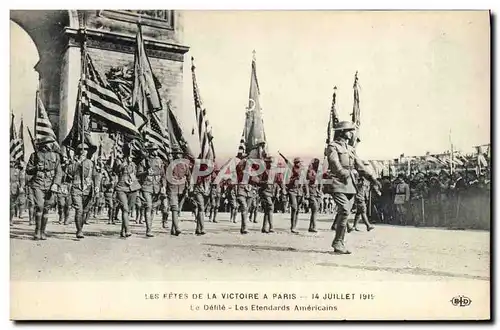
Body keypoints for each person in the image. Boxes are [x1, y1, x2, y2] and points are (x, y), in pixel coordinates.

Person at [324, 121, 381, 254]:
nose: (352, 133)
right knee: (344, 210)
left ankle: (339, 241)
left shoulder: (350, 149)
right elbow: (334, 162)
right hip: (337, 182)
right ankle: (338, 242)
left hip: (350, 184)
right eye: (349, 130)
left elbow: (359, 166)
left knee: (345, 213)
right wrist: (343, 173)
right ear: (342, 132)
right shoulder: (333, 146)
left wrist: (372, 179)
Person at [25, 140, 62, 240]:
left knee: (46, 208)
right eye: (46, 143)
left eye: (49, 143)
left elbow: (59, 172)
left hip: (50, 184)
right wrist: (36, 168)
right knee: (39, 206)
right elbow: (28, 170)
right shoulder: (34, 155)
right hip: (38, 183)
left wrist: (55, 184)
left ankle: (43, 231)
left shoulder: (56, 156)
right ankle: (37, 231)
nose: (48, 145)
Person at [67, 142, 99, 239]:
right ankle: (79, 231)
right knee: (79, 210)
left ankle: (81, 227)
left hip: (87, 189)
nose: (83, 152)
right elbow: (69, 172)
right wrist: (77, 163)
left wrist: (97, 185)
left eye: (85, 150)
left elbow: (96, 175)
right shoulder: (73, 162)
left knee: (85, 210)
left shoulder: (90, 162)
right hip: (77, 188)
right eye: (81, 150)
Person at [137, 143, 166, 237]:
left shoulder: (160, 161)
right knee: (148, 206)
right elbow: (138, 174)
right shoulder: (144, 161)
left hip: (156, 187)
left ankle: (150, 227)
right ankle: (148, 230)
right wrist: (146, 172)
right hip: (147, 185)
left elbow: (163, 175)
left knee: (153, 208)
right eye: (153, 150)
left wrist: (164, 186)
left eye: (156, 149)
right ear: (149, 151)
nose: (155, 151)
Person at [113, 142, 142, 238]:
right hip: (121, 187)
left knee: (128, 210)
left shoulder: (134, 162)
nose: (129, 152)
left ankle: (123, 230)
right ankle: (128, 230)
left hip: (132, 187)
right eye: (127, 150)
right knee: (125, 208)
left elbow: (137, 174)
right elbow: (116, 170)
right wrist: (124, 163)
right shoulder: (118, 160)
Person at [349, 165, 375, 232]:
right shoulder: (360, 183)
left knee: (358, 213)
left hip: (359, 198)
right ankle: (368, 225)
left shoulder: (359, 182)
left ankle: (354, 226)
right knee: (363, 212)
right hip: (360, 198)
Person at [286, 157, 306, 234]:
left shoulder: (302, 171)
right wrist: (294, 178)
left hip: (299, 192)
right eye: (298, 162)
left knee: (297, 210)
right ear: (295, 163)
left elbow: (304, 182)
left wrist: (306, 192)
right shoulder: (291, 170)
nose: (300, 164)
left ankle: (294, 226)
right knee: (294, 207)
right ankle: (292, 227)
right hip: (292, 191)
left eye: (300, 162)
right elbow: (287, 181)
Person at [306, 158, 322, 232]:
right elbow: (309, 178)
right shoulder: (310, 171)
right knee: (315, 208)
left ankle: (311, 227)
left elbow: (321, 182)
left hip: (317, 193)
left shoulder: (319, 172)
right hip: (311, 191)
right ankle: (314, 226)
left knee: (315, 210)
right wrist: (317, 176)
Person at [10, 159, 25, 226]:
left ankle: (10, 220)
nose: (12, 163)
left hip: (14, 188)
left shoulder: (18, 171)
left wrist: (21, 187)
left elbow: (21, 179)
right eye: (10, 162)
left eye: (13, 162)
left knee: (12, 205)